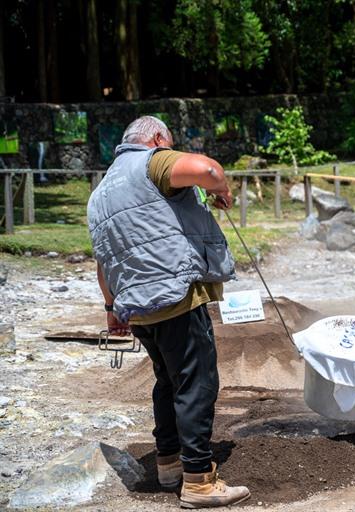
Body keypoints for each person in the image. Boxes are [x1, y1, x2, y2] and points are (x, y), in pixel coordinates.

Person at [87, 116, 251, 509]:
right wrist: (222, 189)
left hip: (137, 306)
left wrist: (111, 309)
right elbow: (208, 170)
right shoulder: (151, 162)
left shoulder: (101, 192)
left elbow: (103, 260)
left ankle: (169, 464)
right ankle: (199, 481)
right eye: (168, 143)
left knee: (168, 381)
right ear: (158, 139)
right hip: (174, 294)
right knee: (197, 383)